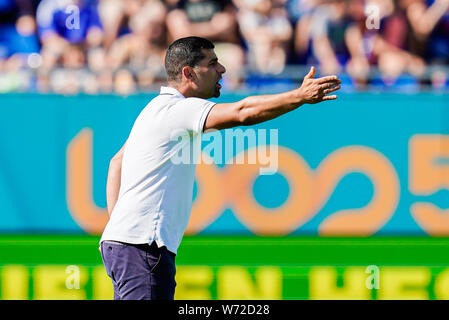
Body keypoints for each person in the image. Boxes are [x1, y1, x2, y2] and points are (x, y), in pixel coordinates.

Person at [100, 36, 341, 300]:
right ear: (188, 73)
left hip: (127, 246)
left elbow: (116, 162)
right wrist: (298, 96)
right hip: (142, 248)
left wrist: (118, 228)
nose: (222, 69)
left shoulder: (154, 109)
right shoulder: (178, 110)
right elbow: (242, 112)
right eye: (212, 63)